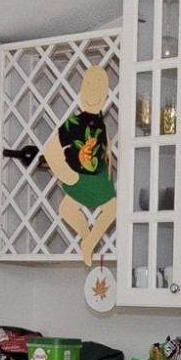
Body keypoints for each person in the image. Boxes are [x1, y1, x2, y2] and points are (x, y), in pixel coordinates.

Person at [42, 62, 119, 262]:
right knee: (67, 209)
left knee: (111, 209)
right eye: (89, 89)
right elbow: (50, 151)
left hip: (98, 179)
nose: (94, 95)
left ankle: (89, 241)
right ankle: (88, 239)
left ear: (104, 96)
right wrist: (69, 174)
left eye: (99, 90)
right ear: (82, 92)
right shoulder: (74, 124)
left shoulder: (101, 125)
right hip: (82, 178)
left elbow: (107, 153)